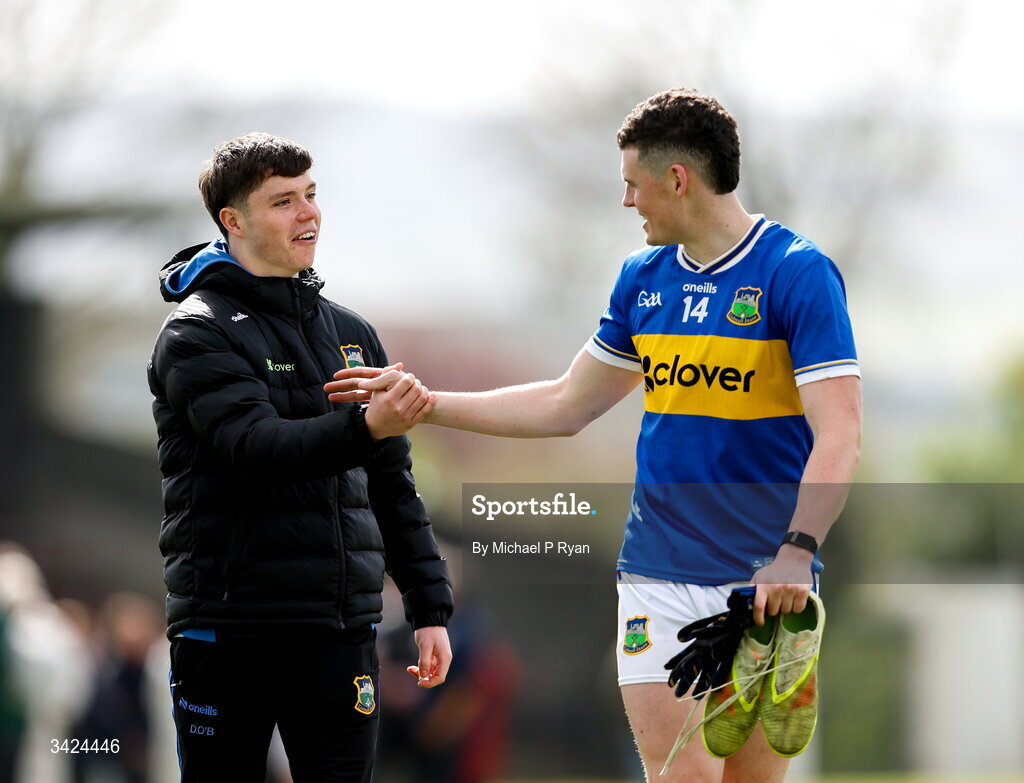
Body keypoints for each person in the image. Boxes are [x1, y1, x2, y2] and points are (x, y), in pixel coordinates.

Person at [326, 88, 862, 782]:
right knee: (684, 777)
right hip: (658, 575)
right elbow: (565, 402)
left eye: (633, 185)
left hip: (768, 582)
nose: (627, 202)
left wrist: (797, 550)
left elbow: (841, 435)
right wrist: (427, 405)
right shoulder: (642, 281)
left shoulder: (797, 274)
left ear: (678, 180)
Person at [148, 133, 453, 783]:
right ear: (234, 221)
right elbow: (256, 448)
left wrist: (429, 608)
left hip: (339, 632)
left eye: (311, 195)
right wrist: (368, 422)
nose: (308, 214)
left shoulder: (352, 334)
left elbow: (392, 483)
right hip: (227, 634)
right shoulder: (194, 331)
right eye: (284, 201)